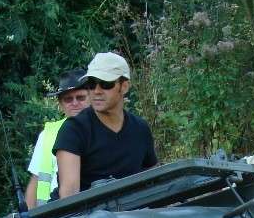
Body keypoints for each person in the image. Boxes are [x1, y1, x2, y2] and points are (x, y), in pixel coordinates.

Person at [53, 52, 157, 198]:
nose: (96, 91)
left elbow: (154, 184)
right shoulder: (73, 130)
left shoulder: (140, 129)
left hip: (131, 215)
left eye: (105, 84)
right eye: (91, 84)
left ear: (124, 86)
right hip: (82, 217)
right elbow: (69, 198)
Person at [24, 69, 89, 208]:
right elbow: (35, 180)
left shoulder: (101, 129)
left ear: (91, 97)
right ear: (60, 104)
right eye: (68, 99)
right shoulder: (47, 134)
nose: (75, 103)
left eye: (81, 97)